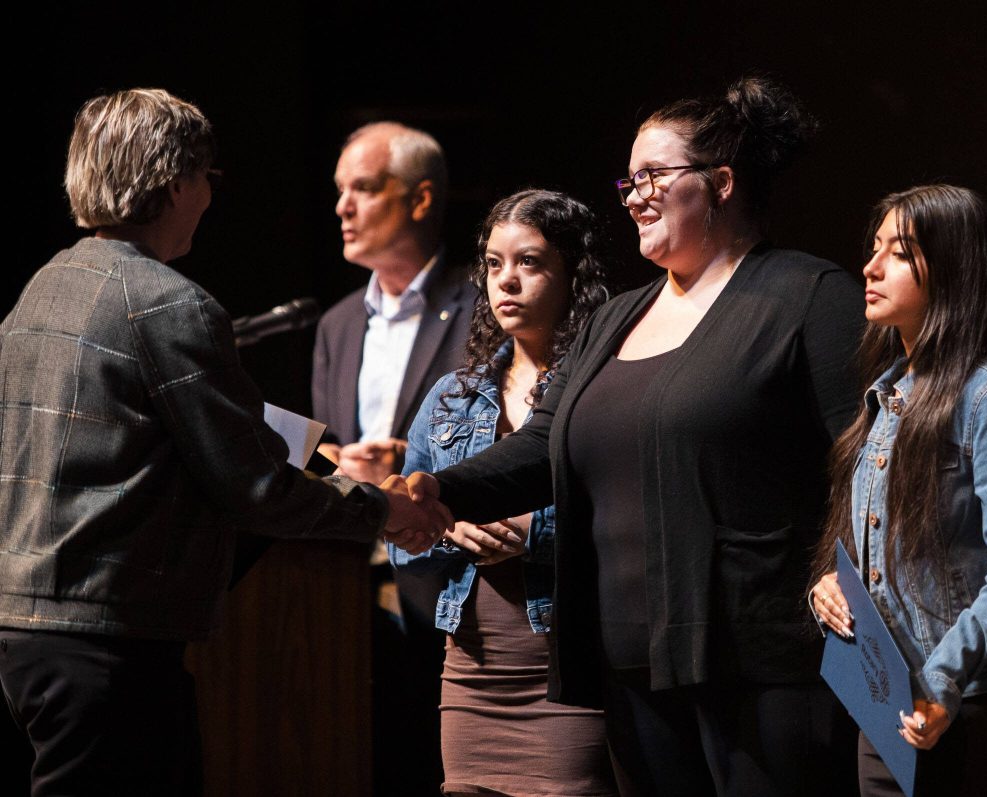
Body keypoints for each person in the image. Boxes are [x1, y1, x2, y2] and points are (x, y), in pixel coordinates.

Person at [401, 76, 865, 796]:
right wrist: (441, 488)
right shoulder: (618, 318)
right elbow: (544, 445)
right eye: (629, 181)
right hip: (628, 658)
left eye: (653, 176)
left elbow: (868, 456)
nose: (634, 194)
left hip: (759, 657)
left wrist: (852, 568)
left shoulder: (807, 296)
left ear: (720, 184)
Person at [0, 89, 444, 796]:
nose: (210, 196)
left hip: (31, 633)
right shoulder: (169, 303)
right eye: (208, 177)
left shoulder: (40, 290)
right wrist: (382, 509)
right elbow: (256, 485)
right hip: (113, 643)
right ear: (177, 183)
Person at [390, 189, 616, 797]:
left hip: (569, 669)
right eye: (494, 264)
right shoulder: (451, 397)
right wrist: (446, 529)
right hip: (472, 671)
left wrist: (533, 535)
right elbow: (402, 548)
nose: (506, 281)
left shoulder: (604, 389)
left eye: (530, 263)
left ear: (574, 273)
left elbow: (632, 522)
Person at [809, 184, 987, 796]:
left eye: (898, 252)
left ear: (952, 267)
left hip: (965, 700)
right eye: (874, 248)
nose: (870, 267)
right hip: (888, 699)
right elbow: (873, 545)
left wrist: (942, 681)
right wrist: (830, 584)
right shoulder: (885, 396)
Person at [312, 120, 475, 795]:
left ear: (420, 199)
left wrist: (408, 459)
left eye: (363, 188)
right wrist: (335, 461)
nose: (342, 207)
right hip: (342, 594)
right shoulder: (338, 320)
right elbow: (325, 445)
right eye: (339, 190)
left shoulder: (483, 303)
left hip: (448, 588)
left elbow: (513, 433)